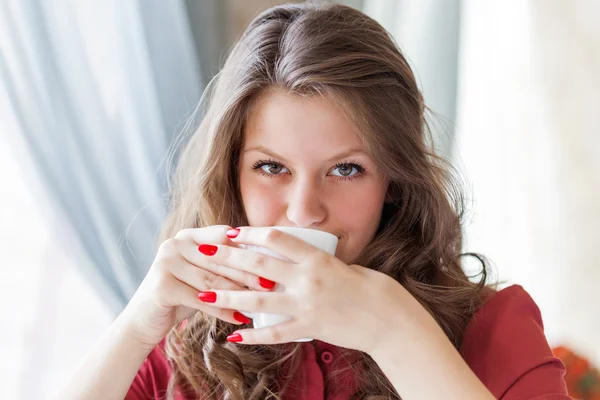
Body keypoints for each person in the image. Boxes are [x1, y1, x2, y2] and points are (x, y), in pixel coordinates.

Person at [57, 2, 571, 399]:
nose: (304, 211)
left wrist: (397, 331)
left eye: (346, 169)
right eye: (271, 167)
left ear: (393, 180)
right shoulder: (188, 350)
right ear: (230, 175)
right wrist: (136, 325)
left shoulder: (496, 329)